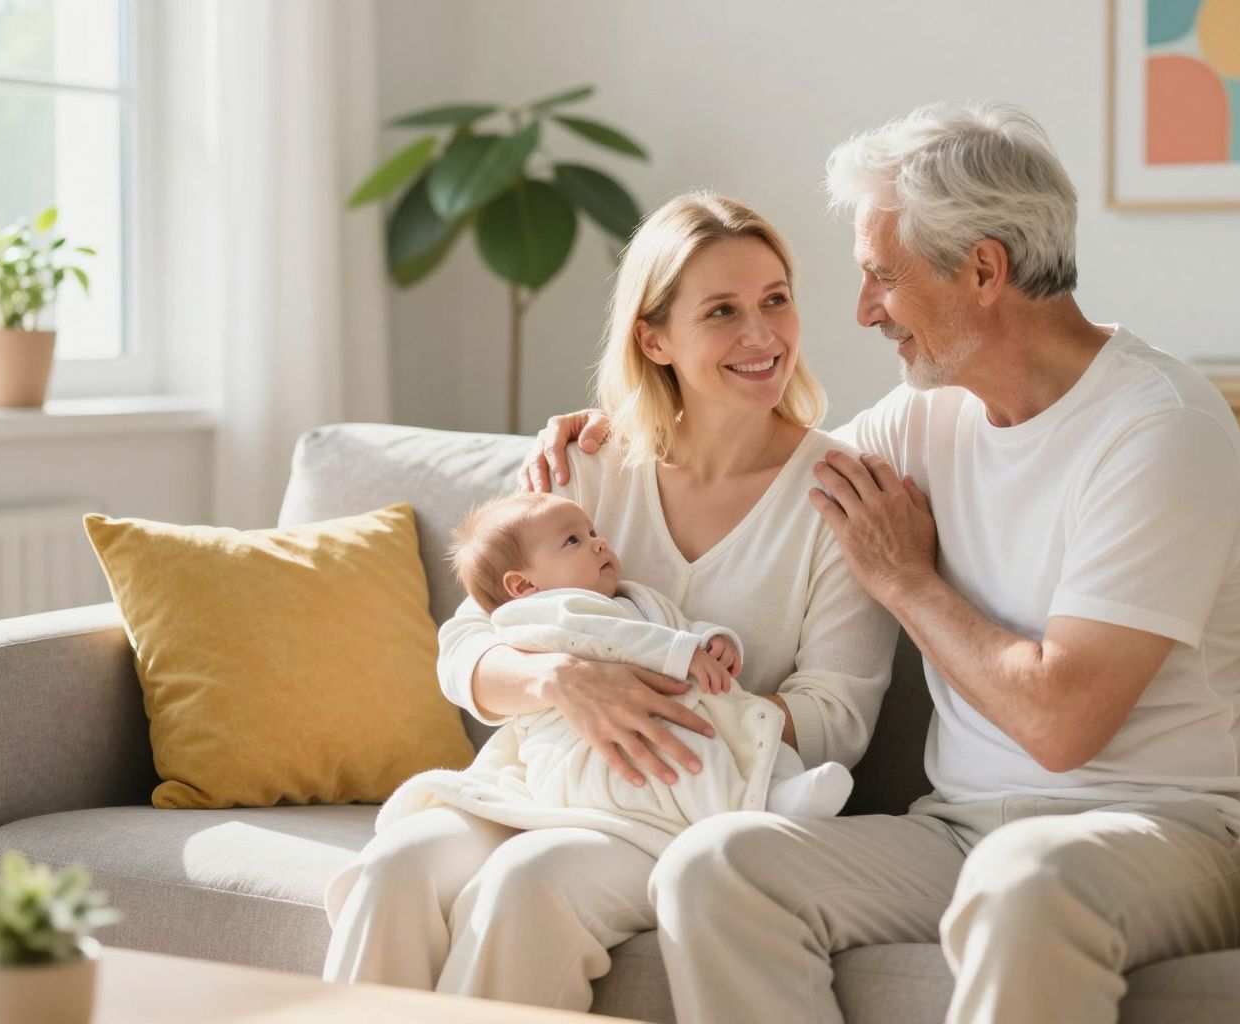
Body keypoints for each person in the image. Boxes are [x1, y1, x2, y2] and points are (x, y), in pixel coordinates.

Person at [524, 101, 1240, 1024]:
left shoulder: (1159, 430)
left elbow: (1061, 722)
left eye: (880, 277)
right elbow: (768, 468)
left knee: (1025, 880)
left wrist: (906, 580)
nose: (861, 311)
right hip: (962, 832)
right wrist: (621, 434)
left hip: (1183, 833)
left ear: (983, 270)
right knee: (717, 866)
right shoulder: (923, 417)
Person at [321, 192, 899, 1010]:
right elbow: (466, 648)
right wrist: (562, 682)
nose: (763, 335)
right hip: (539, 779)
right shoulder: (585, 467)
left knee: (523, 886)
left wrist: (671, 709)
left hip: (690, 804)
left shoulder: (837, 495)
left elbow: (839, 716)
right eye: (722, 311)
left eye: (776, 299)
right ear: (654, 337)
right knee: (393, 869)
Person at [374, 491, 855, 838]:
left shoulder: (632, 598)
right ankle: (756, 807)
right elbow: (608, 640)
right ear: (523, 586)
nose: (599, 543)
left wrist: (712, 641)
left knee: (752, 730)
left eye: (594, 533)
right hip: (586, 750)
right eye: (573, 542)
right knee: (687, 754)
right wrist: (680, 654)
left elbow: (673, 625)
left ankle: (780, 788)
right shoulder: (543, 612)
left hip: (650, 721)